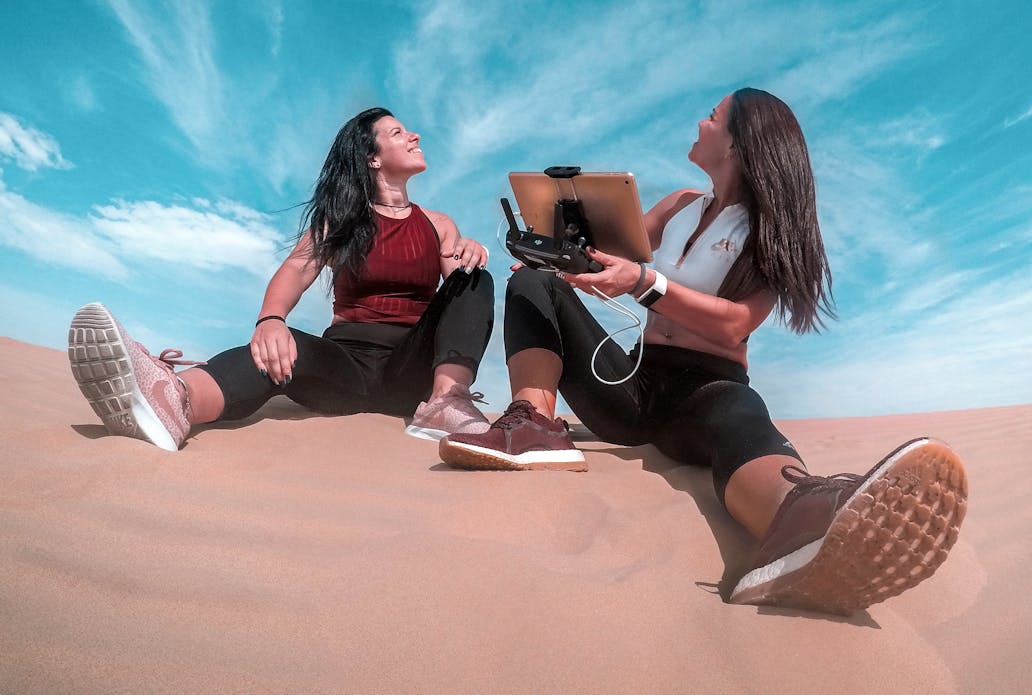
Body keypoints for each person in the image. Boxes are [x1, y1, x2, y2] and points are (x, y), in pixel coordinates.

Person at [438, 88, 968, 616]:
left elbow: (736, 326)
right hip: (635, 383)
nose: (700, 121)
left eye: (713, 116)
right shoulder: (678, 206)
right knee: (534, 282)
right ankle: (534, 422)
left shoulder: (767, 231)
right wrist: (557, 261)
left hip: (708, 389)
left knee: (741, 416)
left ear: (739, 143)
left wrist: (646, 284)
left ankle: (808, 516)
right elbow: (608, 276)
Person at [67, 107, 495, 451]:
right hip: (344, 368)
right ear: (373, 158)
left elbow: (459, 302)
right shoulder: (341, 221)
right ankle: (174, 401)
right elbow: (296, 268)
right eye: (398, 132)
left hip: (414, 372)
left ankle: (448, 400)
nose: (414, 136)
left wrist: (468, 256)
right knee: (280, 348)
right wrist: (270, 320)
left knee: (478, 279)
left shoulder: (438, 225)